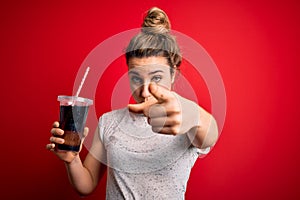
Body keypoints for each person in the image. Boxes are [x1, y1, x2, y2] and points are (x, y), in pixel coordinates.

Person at [46, 7, 219, 199]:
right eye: (136, 78)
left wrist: (191, 114)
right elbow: (86, 185)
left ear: (174, 74)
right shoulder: (109, 122)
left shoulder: (183, 121)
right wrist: (72, 160)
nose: (144, 91)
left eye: (156, 77)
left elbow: (210, 133)